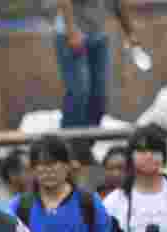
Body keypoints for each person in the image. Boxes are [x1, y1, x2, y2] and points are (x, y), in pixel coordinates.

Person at [54, 1, 138, 136]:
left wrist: (130, 32)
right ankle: (69, 142)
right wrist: (72, 30)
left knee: (99, 96)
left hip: (98, 35)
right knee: (79, 92)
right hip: (71, 33)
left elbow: (118, 3)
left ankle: (88, 143)